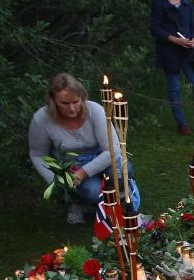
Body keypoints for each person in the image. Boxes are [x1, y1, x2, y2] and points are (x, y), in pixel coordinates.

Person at [28, 73, 138, 224]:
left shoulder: (95, 111)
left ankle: (121, 201)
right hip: (71, 165)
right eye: (64, 104)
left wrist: (83, 173)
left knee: (121, 173)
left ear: (82, 97)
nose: (72, 108)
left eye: (76, 101)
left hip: (103, 157)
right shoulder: (41, 119)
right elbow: (37, 154)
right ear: (52, 100)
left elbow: (113, 150)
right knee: (92, 192)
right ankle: (78, 203)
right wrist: (55, 181)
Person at [149, 0, 194, 135]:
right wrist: (174, 39)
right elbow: (155, 28)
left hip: (189, 51)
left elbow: (193, 25)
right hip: (169, 52)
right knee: (175, 88)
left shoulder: (186, 3)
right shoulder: (159, 3)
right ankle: (181, 123)